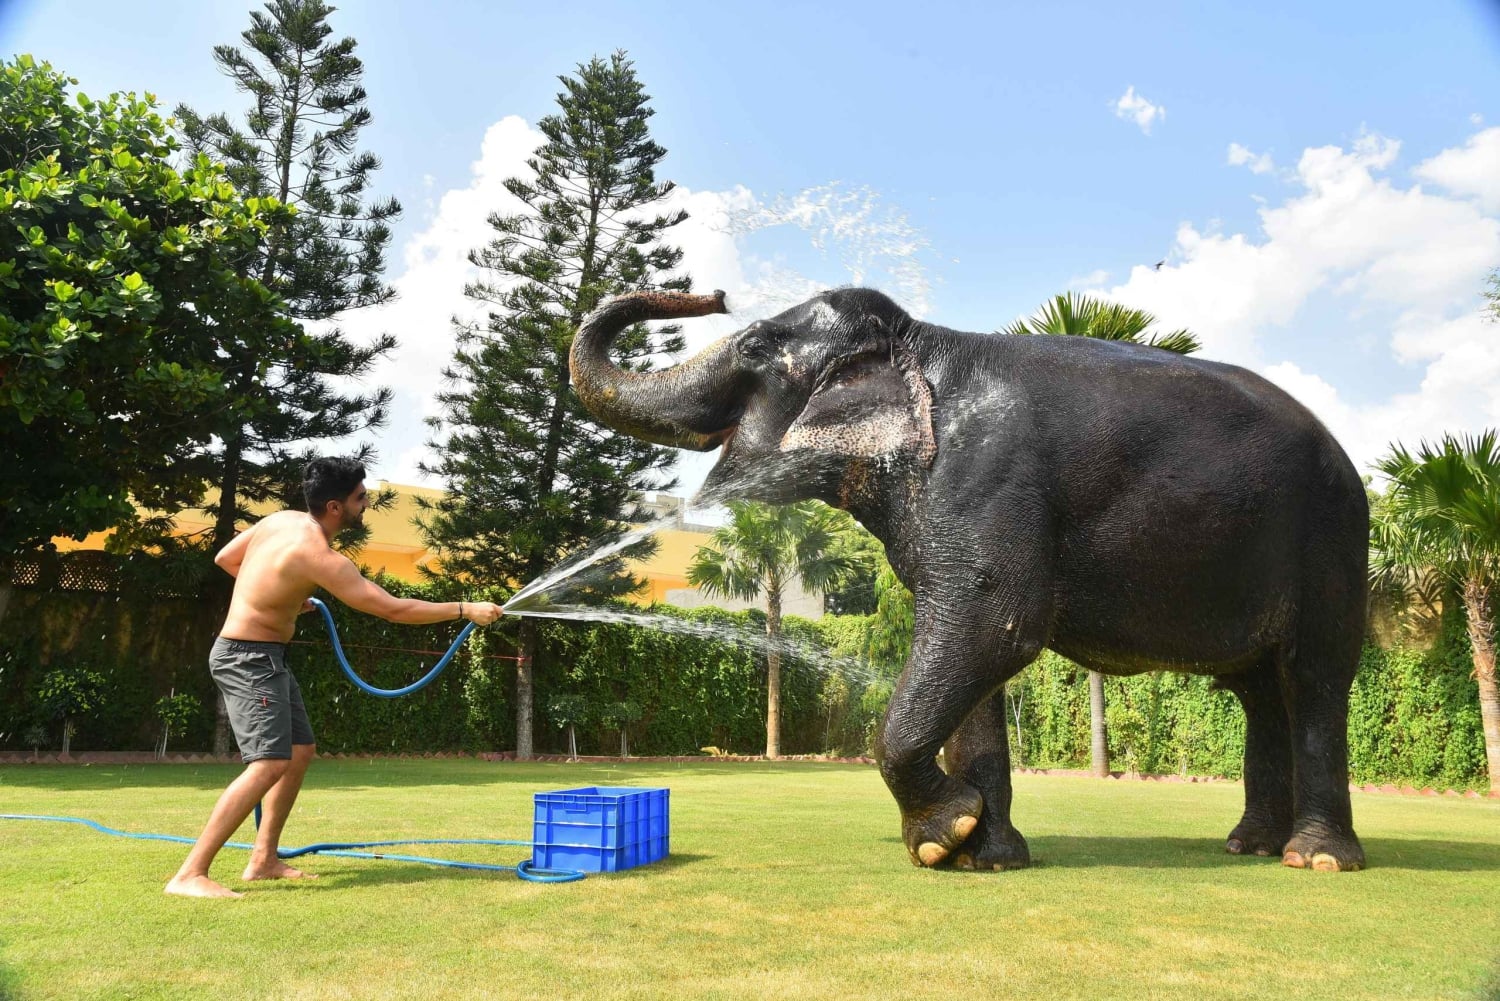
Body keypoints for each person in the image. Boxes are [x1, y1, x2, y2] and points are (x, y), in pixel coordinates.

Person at [164, 457, 503, 899]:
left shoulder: (280, 521)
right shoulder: (321, 557)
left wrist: (284, 590)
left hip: (265, 656)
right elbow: (392, 608)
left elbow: (227, 558)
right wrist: (464, 609)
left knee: (300, 750)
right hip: (247, 658)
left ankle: (263, 859)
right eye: (360, 498)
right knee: (268, 763)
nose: (365, 505)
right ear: (335, 507)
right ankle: (190, 874)